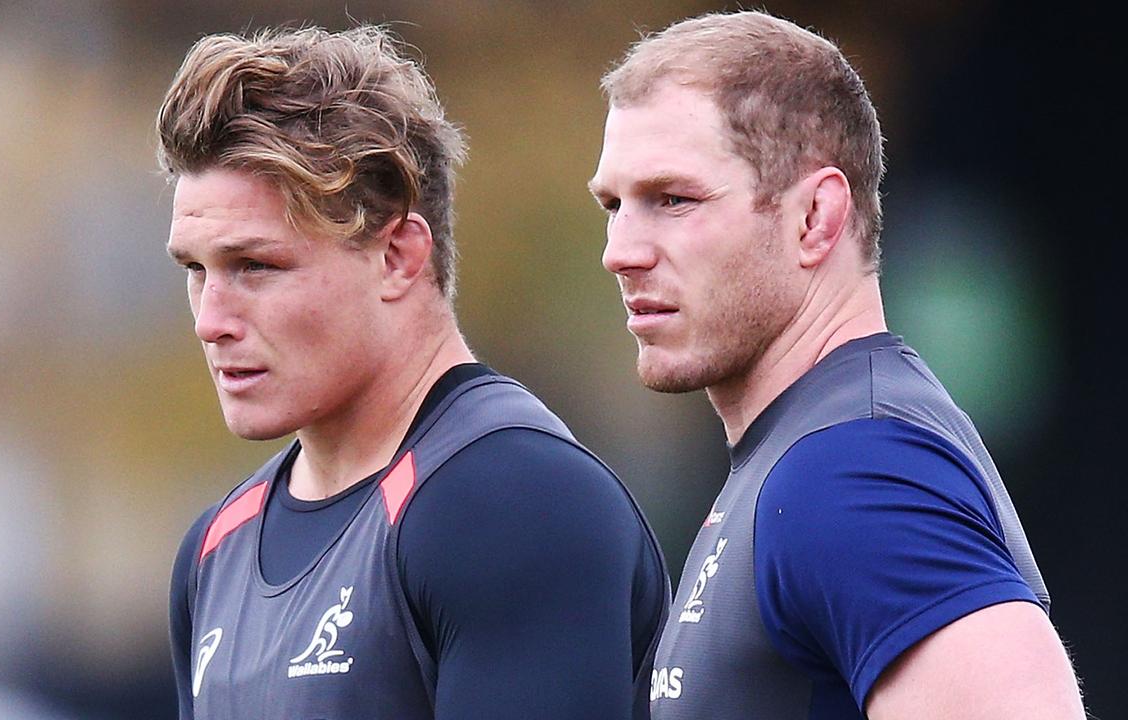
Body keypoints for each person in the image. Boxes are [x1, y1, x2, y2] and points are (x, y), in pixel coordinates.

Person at [157, 25, 668, 720]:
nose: (210, 319)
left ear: (398, 256)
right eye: (196, 270)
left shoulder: (512, 503)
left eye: (255, 266)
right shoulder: (216, 549)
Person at [587, 10, 1084, 720]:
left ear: (816, 217)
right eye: (614, 204)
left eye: (674, 199)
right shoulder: (803, 457)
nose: (621, 251)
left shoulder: (854, 470)